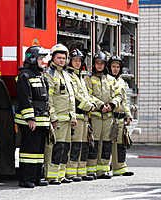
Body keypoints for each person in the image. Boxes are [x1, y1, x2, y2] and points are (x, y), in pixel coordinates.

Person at [15, 46, 50, 188]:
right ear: (33, 59)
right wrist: (30, 119)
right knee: (29, 152)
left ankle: (36, 177)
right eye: (40, 58)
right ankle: (26, 179)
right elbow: (25, 99)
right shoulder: (24, 76)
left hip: (41, 120)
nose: (43, 61)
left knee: (39, 152)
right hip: (31, 121)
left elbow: (45, 99)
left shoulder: (40, 75)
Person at [85, 51, 122, 179]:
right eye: (97, 63)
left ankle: (103, 170)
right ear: (94, 64)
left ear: (105, 64)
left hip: (108, 117)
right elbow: (88, 95)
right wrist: (101, 105)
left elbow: (118, 95)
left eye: (102, 63)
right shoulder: (89, 79)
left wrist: (111, 105)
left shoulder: (111, 80)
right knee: (94, 143)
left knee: (106, 143)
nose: (99, 66)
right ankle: (91, 170)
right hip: (95, 116)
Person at [44, 43, 76, 185]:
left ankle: (61, 174)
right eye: (59, 58)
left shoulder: (66, 74)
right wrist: (53, 117)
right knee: (55, 147)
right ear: (53, 58)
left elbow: (71, 97)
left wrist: (73, 116)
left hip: (68, 119)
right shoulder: (49, 75)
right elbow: (48, 99)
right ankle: (51, 175)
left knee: (65, 148)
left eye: (64, 58)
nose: (62, 60)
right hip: (57, 119)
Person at [65, 49, 96, 182]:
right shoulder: (69, 76)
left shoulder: (81, 77)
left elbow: (86, 95)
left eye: (79, 60)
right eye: (75, 60)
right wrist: (89, 106)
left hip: (85, 117)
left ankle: (81, 172)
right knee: (75, 145)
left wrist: (94, 104)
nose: (77, 63)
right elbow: (75, 96)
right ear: (70, 61)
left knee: (83, 145)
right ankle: (71, 173)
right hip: (77, 115)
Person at [107, 56, 134, 176]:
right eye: (113, 66)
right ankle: (106, 167)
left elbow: (124, 101)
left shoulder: (122, 82)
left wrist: (128, 115)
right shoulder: (106, 80)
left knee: (120, 144)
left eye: (118, 67)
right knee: (108, 143)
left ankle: (120, 168)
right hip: (109, 116)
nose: (116, 69)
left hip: (120, 117)